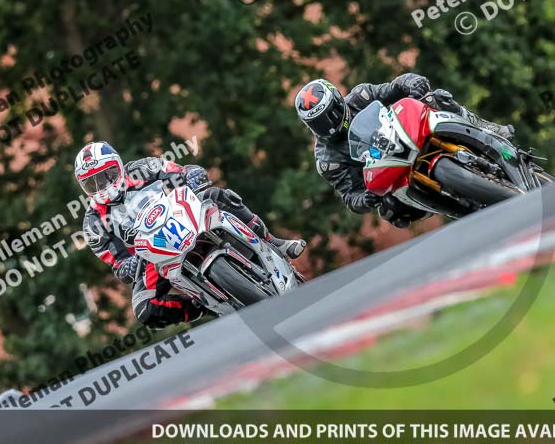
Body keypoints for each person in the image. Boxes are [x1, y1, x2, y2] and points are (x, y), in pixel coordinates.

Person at [75, 141, 305, 329]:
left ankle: (272, 241)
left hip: (183, 216)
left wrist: (191, 173)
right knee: (144, 308)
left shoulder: (143, 168)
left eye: (107, 175)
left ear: (119, 165)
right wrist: (126, 266)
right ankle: (203, 305)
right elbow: (118, 261)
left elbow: (177, 172)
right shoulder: (93, 223)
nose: (102, 185)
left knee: (218, 195)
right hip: (153, 256)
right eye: (92, 183)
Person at [295, 73, 514, 227]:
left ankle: (487, 128)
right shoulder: (326, 159)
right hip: (390, 172)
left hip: (406, 135)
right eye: (318, 123)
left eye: (329, 114)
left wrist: (410, 82)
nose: (328, 125)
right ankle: (461, 210)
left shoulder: (360, 96)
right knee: (390, 211)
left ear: (337, 101)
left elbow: (394, 88)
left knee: (435, 97)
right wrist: (365, 199)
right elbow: (350, 195)